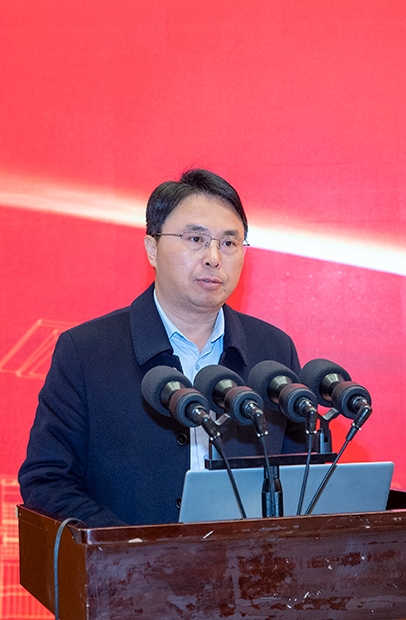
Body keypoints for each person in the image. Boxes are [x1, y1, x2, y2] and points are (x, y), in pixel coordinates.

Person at [19, 168, 306, 529]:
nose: (213, 257)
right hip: (128, 562)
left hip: (248, 564)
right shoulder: (86, 352)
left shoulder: (273, 351)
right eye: (196, 239)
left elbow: (302, 479)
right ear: (152, 249)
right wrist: (131, 549)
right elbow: (47, 480)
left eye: (229, 243)